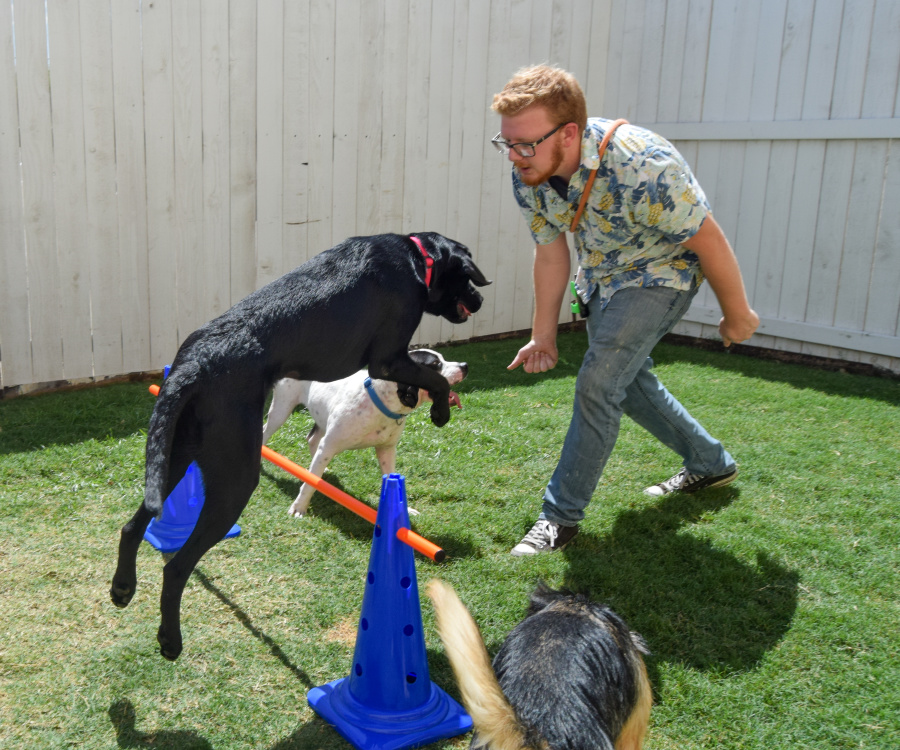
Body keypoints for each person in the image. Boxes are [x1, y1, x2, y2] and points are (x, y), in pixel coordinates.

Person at [492, 65, 759, 556]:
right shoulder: (527, 173)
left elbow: (709, 239)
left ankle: (559, 518)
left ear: (568, 133)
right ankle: (711, 463)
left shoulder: (645, 162)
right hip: (602, 278)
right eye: (505, 143)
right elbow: (552, 253)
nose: (513, 156)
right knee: (629, 383)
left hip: (662, 274)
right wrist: (543, 334)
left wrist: (736, 312)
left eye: (524, 144)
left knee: (599, 381)